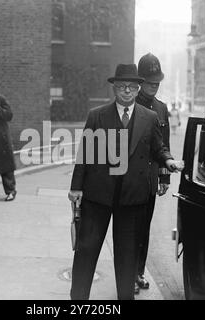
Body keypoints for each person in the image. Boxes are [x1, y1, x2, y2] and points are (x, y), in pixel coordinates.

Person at [68, 64, 183, 300]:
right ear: (114, 88)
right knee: (86, 251)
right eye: (122, 86)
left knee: (127, 256)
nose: (127, 91)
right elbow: (85, 154)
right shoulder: (97, 116)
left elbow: (158, 147)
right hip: (97, 195)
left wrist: (168, 161)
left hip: (132, 197)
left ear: (138, 88)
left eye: (132, 87)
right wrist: (76, 187)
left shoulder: (149, 117)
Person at [134, 53, 171, 293]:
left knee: (144, 228)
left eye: (157, 83)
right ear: (140, 82)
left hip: (149, 179)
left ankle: (138, 272)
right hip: (128, 178)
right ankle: (126, 273)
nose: (154, 87)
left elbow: (164, 144)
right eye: (150, 83)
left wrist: (164, 177)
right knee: (128, 228)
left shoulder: (161, 108)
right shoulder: (130, 103)